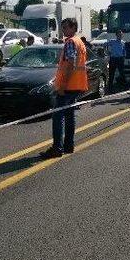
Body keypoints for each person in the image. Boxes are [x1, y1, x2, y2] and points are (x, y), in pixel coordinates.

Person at [40, 17, 88, 158]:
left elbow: (71, 65)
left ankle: (57, 148)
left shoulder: (71, 42)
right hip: (76, 86)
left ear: (73, 28)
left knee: (58, 117)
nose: (64, 30)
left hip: (68, 87)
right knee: (69, 115)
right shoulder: (79, 41)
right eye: (63, 28)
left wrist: (62, 86)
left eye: (66, 27)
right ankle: (68, 145)